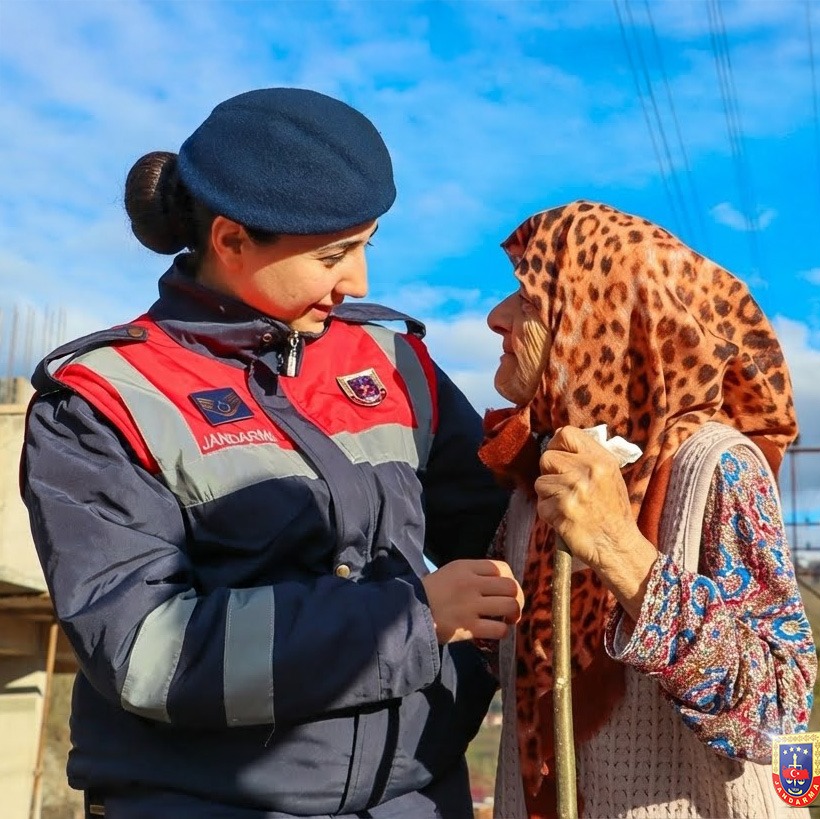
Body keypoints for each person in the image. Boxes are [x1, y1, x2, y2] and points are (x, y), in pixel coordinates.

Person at [21, 87, 524, 819]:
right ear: (229, 240)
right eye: (332, 255)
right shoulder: (104, 401)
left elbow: (504, 533)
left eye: (365, 245)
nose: (358, 281)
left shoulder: (393, 360)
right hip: (198, 802)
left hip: (415, 794)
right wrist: (412, 618)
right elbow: (147, 653)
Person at [478, 200, 817, 818]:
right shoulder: (539, 485)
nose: (496, 317)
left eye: (528, 297)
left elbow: (780, 709)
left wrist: (619, 550)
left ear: (602, 321)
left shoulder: (714, 469)